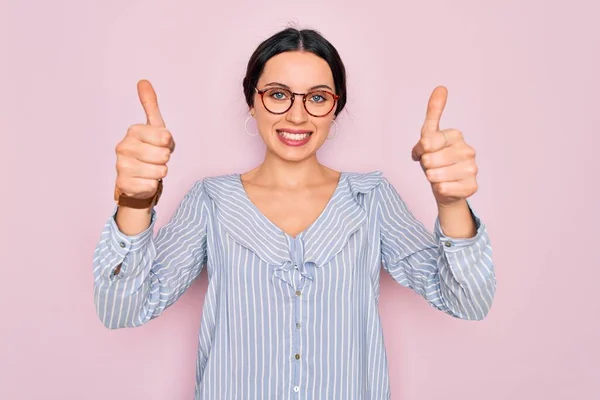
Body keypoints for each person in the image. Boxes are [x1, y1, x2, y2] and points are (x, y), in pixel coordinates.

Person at [92, 27, 495, 400]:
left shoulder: (370, 198)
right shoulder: (210, 201)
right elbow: (121, 309)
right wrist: (135, 202)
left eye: (317, 97)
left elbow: (467, 301)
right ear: (253, 100)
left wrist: (451, 203)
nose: (297, 116)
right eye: (279, 94)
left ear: (336, 109)